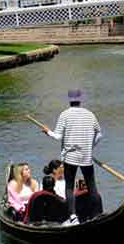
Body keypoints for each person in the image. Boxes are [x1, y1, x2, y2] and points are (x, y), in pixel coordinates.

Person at [43, 89, 102, 225]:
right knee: (91, 185)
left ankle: (73, 216)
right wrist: (90, 147)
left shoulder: (64, 115)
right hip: (86, 156)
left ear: (69, 100)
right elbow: (99, 134)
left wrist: (48, 132)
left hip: (70, 156)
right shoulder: (90, 114)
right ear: (80, 100)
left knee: (69, 186)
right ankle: (96, 214)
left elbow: (58, 136)